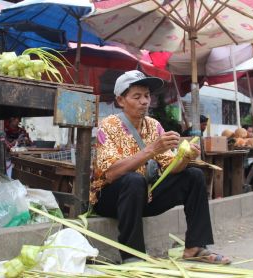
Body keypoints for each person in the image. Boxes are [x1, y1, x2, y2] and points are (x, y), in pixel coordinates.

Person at [91, 70, 230, 264]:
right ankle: (133, 256)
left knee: (194, 175)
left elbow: (170, 168)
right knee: (133, 180)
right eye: (137, 96)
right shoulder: (108, 126)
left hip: (144, 196)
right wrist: (152, 149)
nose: (144, 101)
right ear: (121, 100)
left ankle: (195, 247)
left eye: (147, 96)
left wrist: (184, 157)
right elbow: (112, 173)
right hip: (110, 200)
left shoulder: (154, 126)